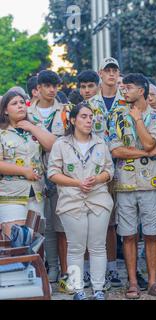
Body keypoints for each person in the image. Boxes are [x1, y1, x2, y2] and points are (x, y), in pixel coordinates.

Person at [108, 73, 156, 299]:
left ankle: (153, 281)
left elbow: (151, 142)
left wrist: (139, 120)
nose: (124, 90)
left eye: (129, 87)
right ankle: (132, 282)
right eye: (123, 87)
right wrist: (146, 153)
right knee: (128, 234)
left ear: (142, 90)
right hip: (124, 183)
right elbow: (116, 150)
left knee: (152, 234)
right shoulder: (116, 116)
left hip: (150, 183)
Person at [48, 102, 114, 300]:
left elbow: (109, 170)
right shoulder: (61, 144)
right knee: (75, 247)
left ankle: (98, 289)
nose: (89, 120)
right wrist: (77, 183)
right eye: (84, 116)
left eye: (90, 116)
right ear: (73, 120)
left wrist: (98, 179)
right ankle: (78, 290)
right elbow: (52, 173)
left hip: (99, 200)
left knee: (97, 246)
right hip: (71, 201)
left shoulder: (101, 142)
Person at [77, 69, 123, 288]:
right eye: (83, 87)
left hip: (111, 169)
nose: (86, 91)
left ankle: (112, 269)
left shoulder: (116, 102)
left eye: (90, 86)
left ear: (97, 86)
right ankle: (86, 271)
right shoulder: (76, 111)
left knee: (110, 224)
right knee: (85, 223)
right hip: (83, 174)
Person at [27, 70, 70, 287]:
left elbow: (57, 144)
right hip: (33, 174)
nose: (52, 90)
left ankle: (64, 271)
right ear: (39, 88)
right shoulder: (27, 111)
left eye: (55, 86)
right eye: (48, 86)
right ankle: (50, 267)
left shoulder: (64, 111)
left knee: (59, 224)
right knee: (42, 225)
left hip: (58, 173)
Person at [0, 90, 55, 237]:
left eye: (22, 103)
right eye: (14, 103)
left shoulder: (35, 126)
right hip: (11, 195)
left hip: (36, 194)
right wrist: (24, 171)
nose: (20, 106)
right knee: (15, 244)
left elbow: (52, 145)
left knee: (36, 247)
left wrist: (32, 128)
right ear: (5, 110)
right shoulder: (1, 132)